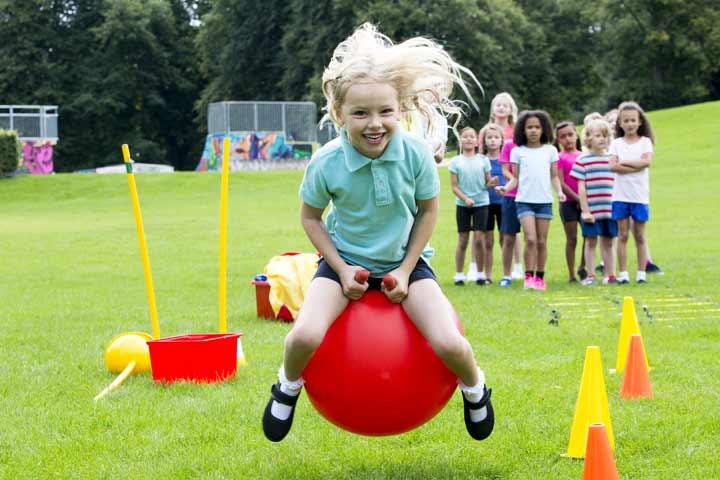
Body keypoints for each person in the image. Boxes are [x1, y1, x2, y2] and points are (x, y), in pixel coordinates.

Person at [262, 23, 494, 442]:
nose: (375, 124)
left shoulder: (416, 154)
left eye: (385, 111)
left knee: (450, 344)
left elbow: (428, 211)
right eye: (360, 113)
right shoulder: (327, 161)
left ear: (400, 109)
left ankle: (475, 389)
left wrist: (406, 270)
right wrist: (341, 267)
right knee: (305, 335)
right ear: (339, 115)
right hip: (341, 267)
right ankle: (287, 386)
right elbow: (311, 218)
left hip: (406, 265)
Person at [498, 110, 566, 291]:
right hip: (524, 201)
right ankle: (528, 276)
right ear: (523, 130)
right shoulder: (518, 152)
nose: (534, 131)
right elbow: (515, 178)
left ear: (544, 130)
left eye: (537, 127)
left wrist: (559, 192)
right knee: (531, 239)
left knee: (542, 241)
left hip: (544, 201)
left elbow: (554, 176)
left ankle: (540, 277)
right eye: (530, 127)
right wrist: (506, 188)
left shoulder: (550, 150)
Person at [609, 101, 655, 284]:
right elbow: (613, 166)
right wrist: (634, 165)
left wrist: (624, 163)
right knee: (622, 235)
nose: (629, 124)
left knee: (640, 235)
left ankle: (641, 272)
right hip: (620, 196)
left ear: (639, 122)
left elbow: (646, 163)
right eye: (625, 121)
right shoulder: (616, 143)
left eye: (632, 120)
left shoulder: (645, 142)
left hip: (639, 196)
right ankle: (623, 273)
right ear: (620, 123)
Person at [572, 119, 618, 285]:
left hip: (609, 209)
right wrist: (585, 210)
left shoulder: (612, 159)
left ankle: (610, 274)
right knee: (591, 241)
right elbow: (581, 188)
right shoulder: (583, 160)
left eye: (605, 136)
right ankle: (590, 275)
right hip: (592, 211)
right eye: (598, 135)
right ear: (588, 138)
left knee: (608, 241)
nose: (602, 139)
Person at [450, 127, 497, 285]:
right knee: (463, 239)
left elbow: (487, 182)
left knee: (478, 239)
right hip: (463, 204)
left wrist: (493, 183)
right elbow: (454, 187)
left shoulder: (483, 160)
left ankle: (480, 274)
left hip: (482, 203)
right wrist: (465, 198)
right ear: (461, 141)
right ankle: (459, 274)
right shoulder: (455, 161)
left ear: (477, 141)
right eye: (465, 137)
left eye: (472, 136)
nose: (469, 139)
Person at [555, 121, 585, 282]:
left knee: (588, 235)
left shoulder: (584, 155)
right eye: (563, 137)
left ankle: (583, 266)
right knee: (572, 238)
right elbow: (561, 182)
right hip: (568, 203)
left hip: (585, 202)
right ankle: (572, 273)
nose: (568, 139)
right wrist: (577, 197)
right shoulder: (559, 158)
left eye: (570, 135)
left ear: (576, 134)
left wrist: (584, 199)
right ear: (558, 140)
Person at [479, 123, 506, 284]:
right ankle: (488, 275)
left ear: (501, 140)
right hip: (486, 203)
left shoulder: (506, 160)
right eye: (489, 138)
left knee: (505, 239)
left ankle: (505, 273)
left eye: (496, 137)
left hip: (503, 203)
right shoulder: (481, 160)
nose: (493, 141)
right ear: (485, 141)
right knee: (488, 241)